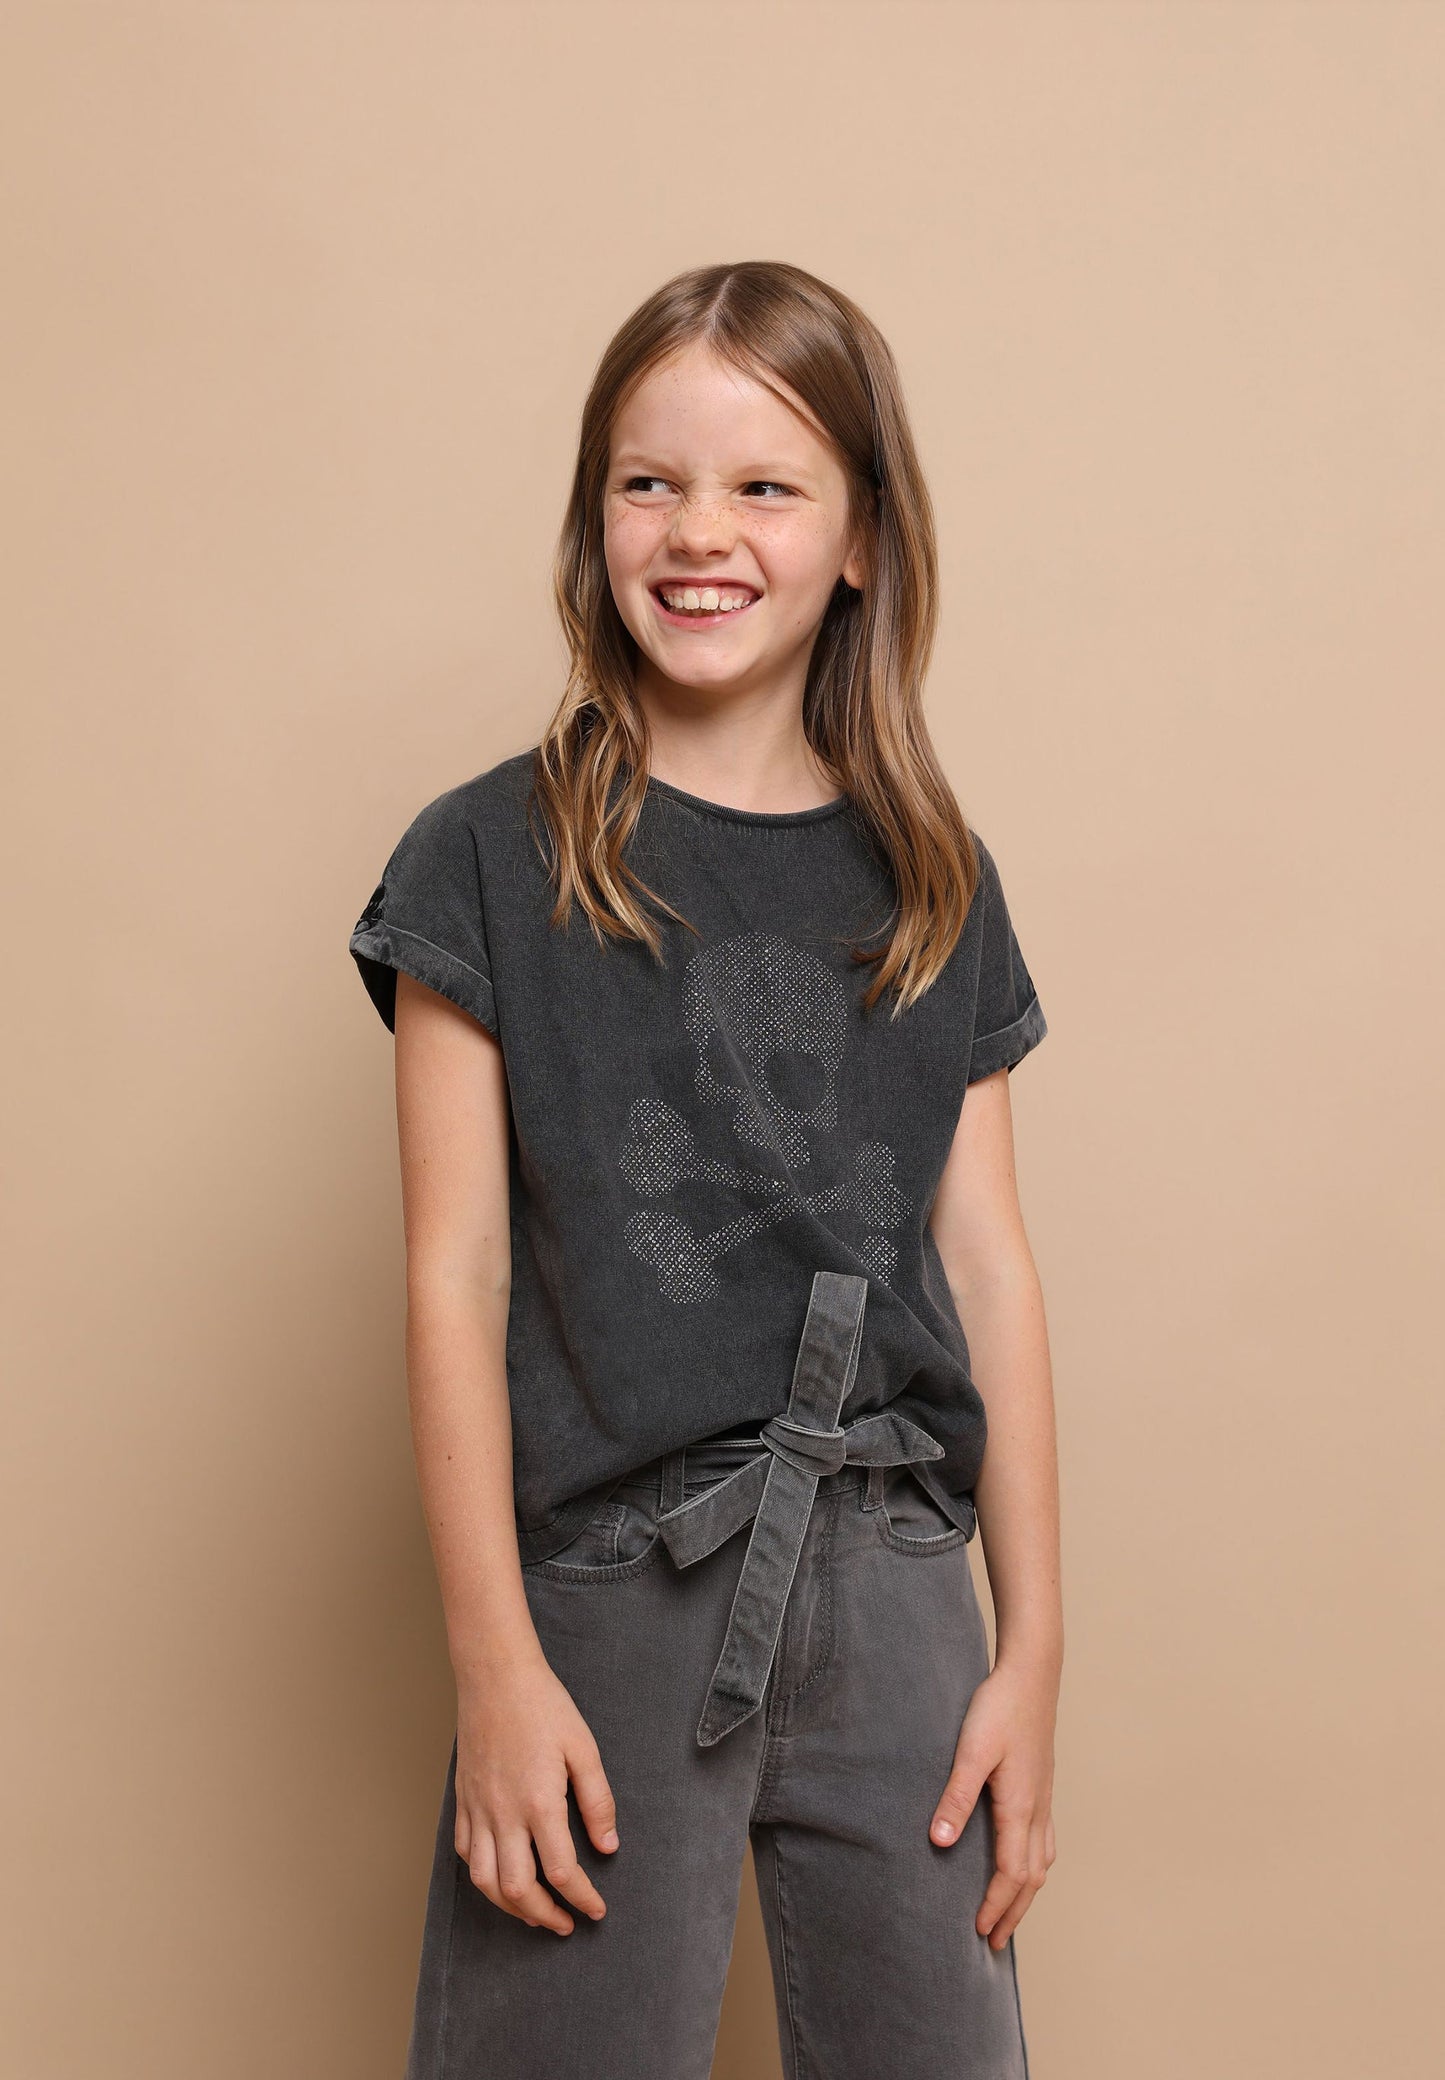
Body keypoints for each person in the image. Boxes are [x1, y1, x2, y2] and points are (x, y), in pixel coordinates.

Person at [348, 260, 1061, 2080]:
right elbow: (455, 1278)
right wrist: (495, 1666)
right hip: (614, 1582)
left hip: (899, 1577)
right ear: (594, 517)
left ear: (863, 538)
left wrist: (1029, 1653)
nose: (697, 532)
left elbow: (985, 1268)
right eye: (646, 482)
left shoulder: (935, 880)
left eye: (764, 485)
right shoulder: (485, 857)